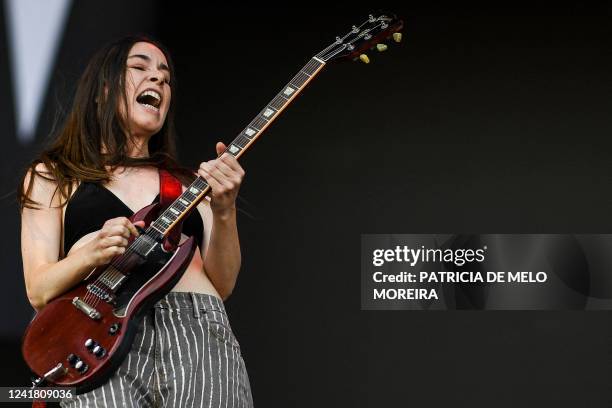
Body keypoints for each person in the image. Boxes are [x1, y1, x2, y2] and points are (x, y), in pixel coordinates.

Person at [18, 36, 254, 407]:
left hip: (195, 333)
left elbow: (222, 284)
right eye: (140, 68)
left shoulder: (191, 183)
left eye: (165, 76)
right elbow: (39, 290)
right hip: (98, 338)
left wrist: (225, 211)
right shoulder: (53, 175)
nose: (158, 80)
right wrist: (89, 254)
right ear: (103, 90)